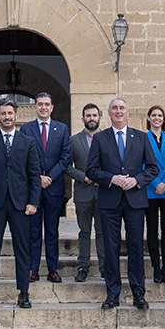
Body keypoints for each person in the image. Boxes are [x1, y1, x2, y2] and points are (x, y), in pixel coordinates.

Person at [85, 97, 158, 310]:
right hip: (110, 200)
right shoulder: (100, 138)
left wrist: (137, 180)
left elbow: (153, 169)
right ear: (108, 113)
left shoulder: (142, 137)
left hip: (135, 200)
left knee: (136, 247)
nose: (118, 112)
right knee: (111, 247)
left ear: (128, 112)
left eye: (122, 108)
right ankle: (112, 293)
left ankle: (138, 293)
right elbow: (91, 170)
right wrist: (111, 179)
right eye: (114, 108)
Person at [0, 98, 40, 310]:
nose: (7, 117)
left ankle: (24, 293)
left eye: (10, 113)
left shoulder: (27, 142)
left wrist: (33, 202)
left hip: (21, 204)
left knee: (23, 250)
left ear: (16, 115)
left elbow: (33, 175)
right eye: (3, 113)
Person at [20, 92, 72, 283]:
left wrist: (49, 177)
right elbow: (23, 156)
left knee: (52, 231)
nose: (43, 107)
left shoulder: (62, 129)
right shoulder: (26, 129)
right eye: (40, 104)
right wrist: (37, 178)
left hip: (54, 188)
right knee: (33, 232)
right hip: (33, 189)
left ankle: (52, 268)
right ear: (35, 107)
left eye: (46, 104)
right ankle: (33, 268)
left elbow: (66, 157)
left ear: (52, 108)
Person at [64, 103, 106, 282]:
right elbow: (66, 166)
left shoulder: (107, 138)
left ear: (99, 117)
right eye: (88, 116)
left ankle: (106, 268)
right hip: (83, 193)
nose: (91, 119)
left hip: (104, 192)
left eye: (94, 115)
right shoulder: (74, 140)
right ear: (83, 119)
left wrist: (102, 178)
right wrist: (85, 177)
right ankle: (83, 266)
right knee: (84, 231)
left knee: (103, 232)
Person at [144, 105, 165, 284]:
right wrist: (156, 182)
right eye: (154, 115)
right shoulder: (143, 138)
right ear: (148, 118)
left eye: (160, 115)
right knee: (151, 230)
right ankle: (155, 267)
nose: (157, 118)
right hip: (150, 189)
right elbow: (141, 164)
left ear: (163, 118)